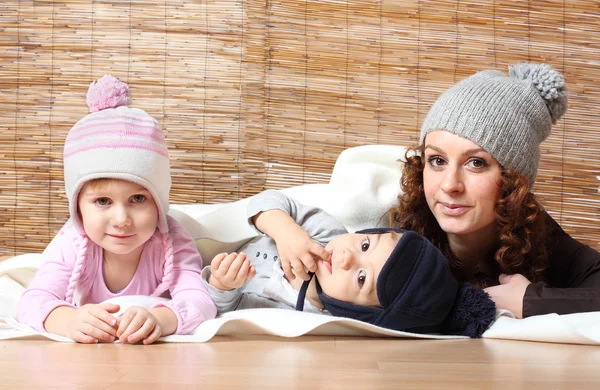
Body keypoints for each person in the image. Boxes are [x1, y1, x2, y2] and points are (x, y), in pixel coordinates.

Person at [389, 62, 600, 319]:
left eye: (476, 163)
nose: (449, 185)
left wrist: (530, 300)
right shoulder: (396, 231)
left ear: (514, 181)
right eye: (437, 160)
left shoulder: (541, 237)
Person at [17, 75, 217, 344]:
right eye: (102, 201)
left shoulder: (172, 242)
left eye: (138, 199)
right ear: (77, 207)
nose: (122, 220)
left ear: (159, 201)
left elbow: (200, 301)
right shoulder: (72, 243)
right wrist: (69, 320)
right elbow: (32, 302)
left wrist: (160, 319)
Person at [202, 190, 496, 337]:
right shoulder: (326, 233)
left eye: (360, 279)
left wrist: (222, 285)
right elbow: (264, 201)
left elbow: (227, 313)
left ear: (358, 312)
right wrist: (285, 231)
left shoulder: (302, 317)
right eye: (365, 245)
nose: (345, 257)